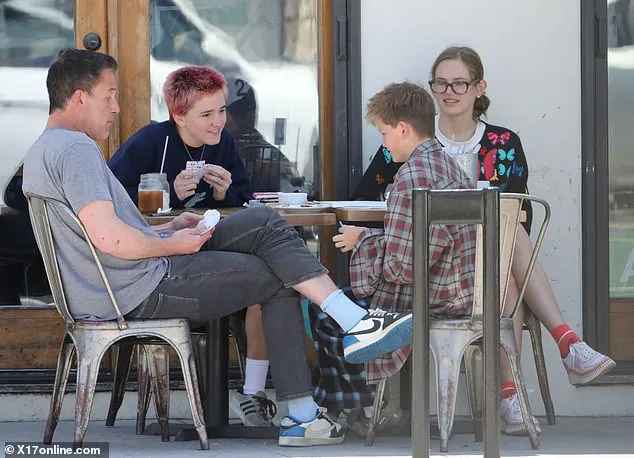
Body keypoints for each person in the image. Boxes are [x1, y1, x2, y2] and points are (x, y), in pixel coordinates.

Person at [22, 48, 414, 447]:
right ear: (80, 98)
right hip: (138, 287)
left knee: (262, 220)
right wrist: (172, 243)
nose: (117, 107)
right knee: (278, 276)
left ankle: (345, 335)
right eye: (109, 96)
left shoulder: (45, 149)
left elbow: (104, 234)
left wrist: (169, 228)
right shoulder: (76, 150)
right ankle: (309, 402)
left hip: (124, 281)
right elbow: (110, 239)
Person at [428, 45, 616, 435]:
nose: (449, 91)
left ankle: (514, 394)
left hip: (496, 260)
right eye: (441, 83)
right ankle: (564, 347)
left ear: (479, 87)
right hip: (439, 264)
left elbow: (523, 214)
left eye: (459, 83)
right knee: (505, 241)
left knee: (506, 232)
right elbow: (372, 194)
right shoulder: (416, 140)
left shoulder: (503, 142)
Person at [309, 81, 477, 431]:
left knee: (325, 310)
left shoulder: (410, 179)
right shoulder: (447, 166)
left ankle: (359, 408)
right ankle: (356, 408)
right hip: (458, 290)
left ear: (403, 128)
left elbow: (402, 267)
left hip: (424, 298)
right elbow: (423, 244)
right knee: (336, 304)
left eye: (384, 134)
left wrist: (363, 239)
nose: (383, 144)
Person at [109, 66, 252, 210]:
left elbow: (245, 199)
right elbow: (109, 194)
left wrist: (222, 194)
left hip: (213, 229)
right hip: (158, 230)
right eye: (206, 115)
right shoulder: (150, 140)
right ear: (179, 117)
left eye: (222, 110)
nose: (219, 122)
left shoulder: (224, 139)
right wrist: (170, 193)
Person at [225, 78, 304, 193]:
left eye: (249, 110)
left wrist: (271, 168)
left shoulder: (270, 154)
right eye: (237, 113)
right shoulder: (210, 150)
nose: (247, 118)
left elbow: (295, 190)